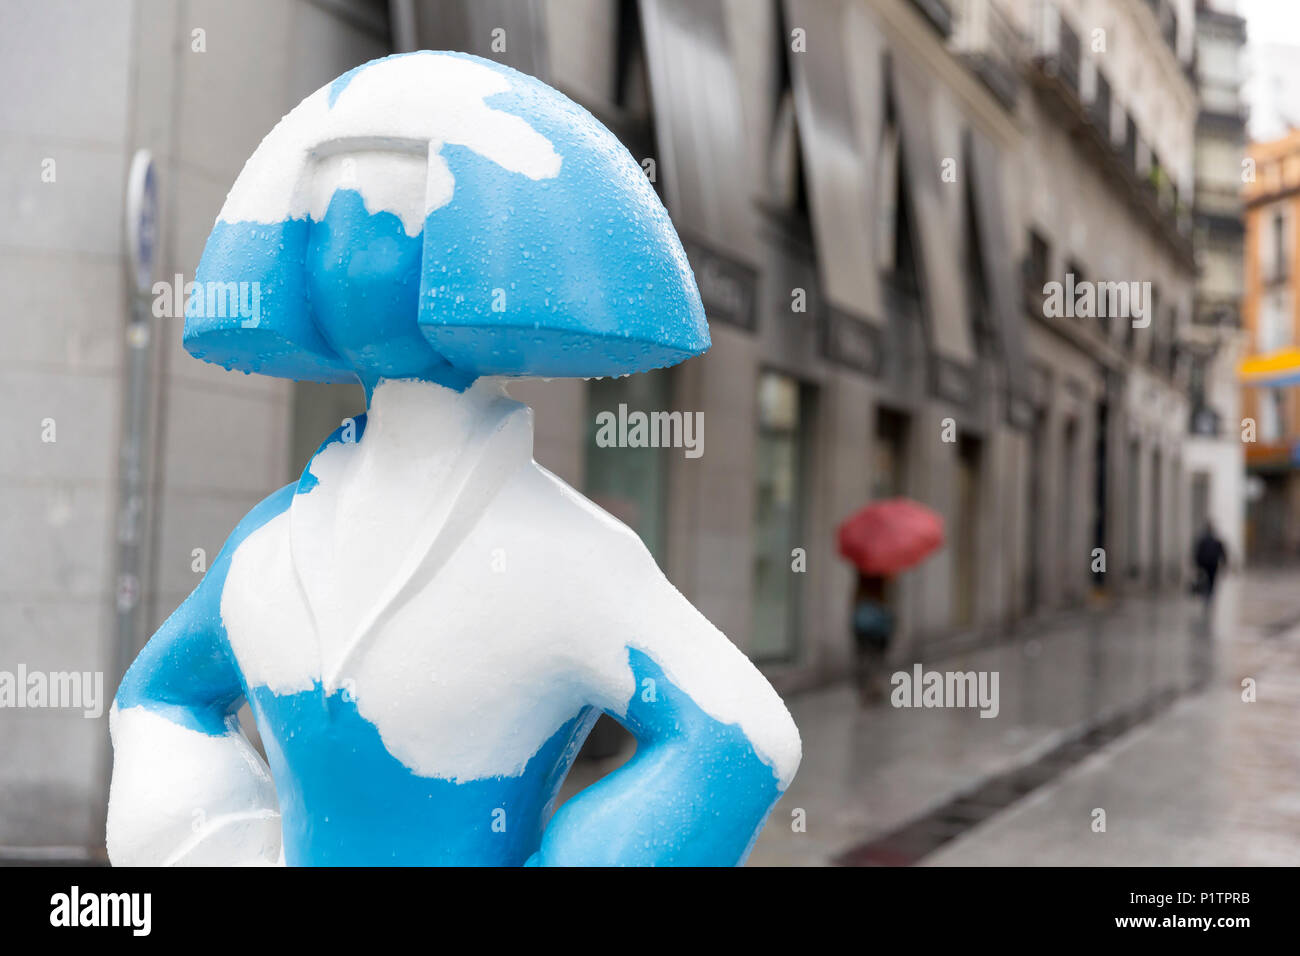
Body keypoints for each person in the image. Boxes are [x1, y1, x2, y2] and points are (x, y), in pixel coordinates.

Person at [851, 572, 896, 706]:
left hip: (862, 629)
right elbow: (888, 610)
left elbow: (855, 607)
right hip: (878, 631)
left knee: (864, 660)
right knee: (876, 660)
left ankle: (867, 688)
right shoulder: (881, 585)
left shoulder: (861, 586)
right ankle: (873, 687)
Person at [1193, 520, 1228, 604]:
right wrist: (1224, 563)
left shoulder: (1202, 541)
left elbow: (1197, 552)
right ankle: (1209, 593)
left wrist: (1197, 564)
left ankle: (1207, 592)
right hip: (1213, 564)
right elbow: (1222, 553)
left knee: (1206, 578)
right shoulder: (1216, 541)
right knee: (1211, 579)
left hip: (1205, 564)